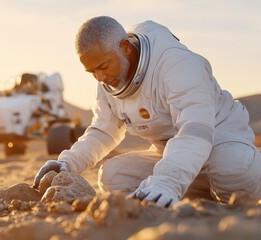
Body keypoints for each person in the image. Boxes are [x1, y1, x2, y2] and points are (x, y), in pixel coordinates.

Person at [32, 16, 261, 207]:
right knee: (113, 177)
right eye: (91, 71)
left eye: (102, 67)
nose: (100, 78)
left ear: (125, 47)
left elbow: (195, 131)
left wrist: (168, 182)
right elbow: (103, 131)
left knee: (233, 167)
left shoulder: (176, 64)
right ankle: (196, 194)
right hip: (172, 156)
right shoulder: (108, 81)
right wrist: (67, 163)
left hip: (220, 142)